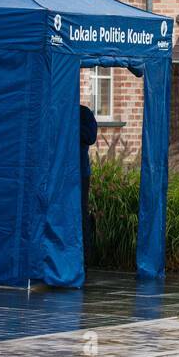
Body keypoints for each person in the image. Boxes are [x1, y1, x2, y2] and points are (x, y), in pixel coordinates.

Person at [79, 102, 98, 268]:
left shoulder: (84, 113)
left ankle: (85, 258)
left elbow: (90, 137)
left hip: (80, 173)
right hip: (59, 172)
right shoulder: (56, 109)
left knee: (81, 212)